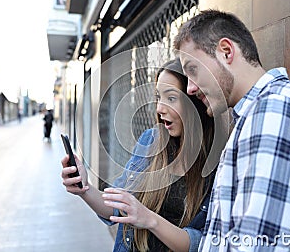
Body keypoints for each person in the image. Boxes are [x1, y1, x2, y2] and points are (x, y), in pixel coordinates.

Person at [174, 9, 290, 251]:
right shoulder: (261, 112)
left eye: (193, 69)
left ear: (226, 51)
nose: (190, 88)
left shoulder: (276, 110)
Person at [61, 58, 217, 251]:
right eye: (158, 97)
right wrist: (84, 189)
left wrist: (149, 219)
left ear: (195, 101)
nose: (159, 108)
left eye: (171, 98)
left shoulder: (218, 162)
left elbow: (202, 244)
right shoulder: (151, 141)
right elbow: (117, 208)